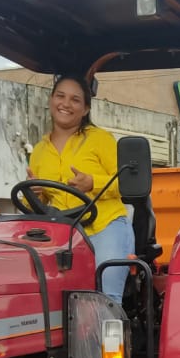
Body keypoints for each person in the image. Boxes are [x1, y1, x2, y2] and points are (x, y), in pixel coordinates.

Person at [28, 75, 135, 303]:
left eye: (75, 100)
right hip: (62, 233)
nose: (66, 104)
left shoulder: (100, 140)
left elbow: (128, 182)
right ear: (50, 100)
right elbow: (35, 205)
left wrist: (92, 183)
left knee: (105, 296)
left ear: (85, 109)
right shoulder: (39, 150)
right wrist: (34, 194)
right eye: (60, 96)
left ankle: (107, 336)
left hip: (104, 226)